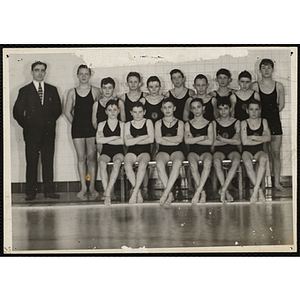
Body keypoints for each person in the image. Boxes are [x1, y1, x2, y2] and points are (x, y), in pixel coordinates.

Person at [13, 61, 62, 200]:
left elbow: (57, 110)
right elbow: (17, 112)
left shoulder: (52, 89)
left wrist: (48, 124)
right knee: (32, 161)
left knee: (48, 161)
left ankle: (49, 192)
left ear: (45, 72)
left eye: (42, 70)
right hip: (31, 133)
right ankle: (30, 192)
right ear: (31, 72)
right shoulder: (24, 91)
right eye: (36, 70)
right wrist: (28, 126)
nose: (39, 73)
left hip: (48, 133)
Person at [64, 65, 101, 197]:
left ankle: (92, 187)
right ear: (77, 75)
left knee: (92, 158)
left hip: (92, 128)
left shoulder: (96, 91)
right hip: (78, 128)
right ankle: (83, 187)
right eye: (81, 74)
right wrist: (76, 123)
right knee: (81, 157)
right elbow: (67, 112)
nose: (84, 76)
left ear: (90, 75)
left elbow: (101, 109)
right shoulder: (72, 92)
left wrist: (97, 126)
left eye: (86, 73)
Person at [251, 58, 286, 192]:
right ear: (259, 70)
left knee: (275, 153)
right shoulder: (255, 86)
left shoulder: (279, 86)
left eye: (269, 68)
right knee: (262, 154)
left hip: (274, 122)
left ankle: (276, 182)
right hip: (259, 124)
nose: (266, 70)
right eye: (263, 68)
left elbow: (280, 106)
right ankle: (261, 183)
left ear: (272, 69)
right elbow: (253, 107)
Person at [155, 98, 185, 206]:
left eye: (169, 107)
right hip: (163, 150)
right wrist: (173, 139)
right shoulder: (158, 123)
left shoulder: (180, 123)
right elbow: (158, 140)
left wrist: (164, 139)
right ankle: (170, 193)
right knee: (159, 164)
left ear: (174, 108)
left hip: (177, 150)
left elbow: (180, 140)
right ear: (161, 109)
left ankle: (166, 192)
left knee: (177, 163)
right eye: (165, 107)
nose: (167, 110)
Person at [184, 98, 214, 204]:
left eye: (198, 107)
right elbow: (187, 141)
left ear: (203, 108)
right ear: (191, 110)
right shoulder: (188, 124)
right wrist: (202, 137)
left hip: (206, 152)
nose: (196, 110)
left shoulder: (209, 123)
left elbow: (210, 142)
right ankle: (203, 192)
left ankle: (199, 191)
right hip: (193, 152)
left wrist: (194, 139)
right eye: (193, 108)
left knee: (208, 162)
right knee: (192, 164)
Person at [241, 99, 271, 203]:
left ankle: (255, 191)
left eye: (256, 110)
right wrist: (260, 138)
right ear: (247, 111)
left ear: (260, 111)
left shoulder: (263, 121)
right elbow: (244, 142)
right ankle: (259, 191)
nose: (254, 112)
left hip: (259, 150)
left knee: (263, 159)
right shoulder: (244, 123)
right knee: (248, 164)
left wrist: (252, 137)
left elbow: (268, 138)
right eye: (251, 109)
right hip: (247, 151)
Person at [124, 102, 154, 203]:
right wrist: (144, 136)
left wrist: (134, 140)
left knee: (142, 165)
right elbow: (128, 143)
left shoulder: (148, 122)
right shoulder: (128, 124)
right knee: (127, 166)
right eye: (135, 112)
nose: (137, 115)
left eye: (140, 112)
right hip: (131, 151)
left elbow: (151, 140)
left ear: (144, 112)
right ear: (131, 113)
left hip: (144, 151)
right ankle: (139, 193)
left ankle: (135, 192)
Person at [213, 97, 241, 203]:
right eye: (220, 109)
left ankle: (223, 189)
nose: (223, 111)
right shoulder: (215, 123)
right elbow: (214, 142)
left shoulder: (236, 122)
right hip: (219, 150)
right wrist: (230, 140)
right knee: (216, 161)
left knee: (236, 160)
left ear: (230, 109)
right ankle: (226, 192)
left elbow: (238, 142)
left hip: (233, 150)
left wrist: (222, 139)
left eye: (225, 108)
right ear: (218, 110)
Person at [96, 100, 125, 205]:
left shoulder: (122, 124)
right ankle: (107, 193)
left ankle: (107, 192)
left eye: (115, 110)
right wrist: (115, 137)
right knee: (102, 163)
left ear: (118, 111)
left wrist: (106, 138)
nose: (112, 112)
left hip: (118, 151)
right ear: (106, 112)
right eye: (110, 110)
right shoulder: (101, 124)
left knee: (117, 162)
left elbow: (122, 141)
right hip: (106, 152)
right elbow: (98, 140)